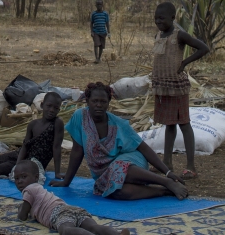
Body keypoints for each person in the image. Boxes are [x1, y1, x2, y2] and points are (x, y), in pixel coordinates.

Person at [53, 82, 187, 201]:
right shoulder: (80, 117)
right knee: (116, 192)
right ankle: (163, 191)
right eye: (95, 101)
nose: (99, 105)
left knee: (118, 168)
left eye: (103, 101)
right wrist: (66, 182)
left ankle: (166, 182)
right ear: (87, 101)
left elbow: (143, 148)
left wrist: (167, 172)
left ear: (109, 102)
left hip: (132, 162)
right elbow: (77, 152)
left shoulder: (119, 124)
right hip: (105, 174)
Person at [15, 160, 131, 235]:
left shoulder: (28, 190)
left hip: (58, 212)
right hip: (73, 208)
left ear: (36, 177)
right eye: (16, 179)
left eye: (23, 177)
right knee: (93, 226)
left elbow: (22, 216)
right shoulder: (38, 189)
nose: (19, 181)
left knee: (66, 230)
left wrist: (21, 209)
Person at [151, 2, 209, 179]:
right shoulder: (159, 35)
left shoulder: (179, 35)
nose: (158, 21)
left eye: (162, 18)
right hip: (163, 87)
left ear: (173, 18)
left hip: (177, 87)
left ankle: (190, 166)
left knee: (184, 123)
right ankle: (167, 162)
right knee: (169, 124)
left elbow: (203, 48)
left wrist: (184, 63)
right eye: (156, 18)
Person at [0, 91, 64, 178]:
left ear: (58, 110)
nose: (51, 110)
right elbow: (25, 146)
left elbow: (56, 148)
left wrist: (57, 173)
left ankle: (13, 171)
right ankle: (14, 169)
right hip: (20, 155)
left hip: (33, 163)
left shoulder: (57, 123)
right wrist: (17, 165)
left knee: (1, 169)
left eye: (55, 108)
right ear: (42, 105)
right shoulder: (33, 124)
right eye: (49, 106)